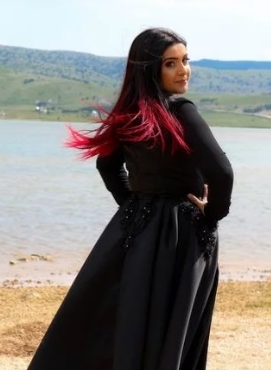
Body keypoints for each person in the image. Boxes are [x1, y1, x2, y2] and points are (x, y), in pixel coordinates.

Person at [28, 27, 234, 370]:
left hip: (136, 231)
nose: (183, 70)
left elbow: (107, 166)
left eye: (185, 60)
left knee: (126, 317)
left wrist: (134, 206)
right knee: (172, 325)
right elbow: (222, 173)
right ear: (149, 69)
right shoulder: (181, 111)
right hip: (183, 235)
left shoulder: (132, 113)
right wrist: (212, 214)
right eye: (170, 63)